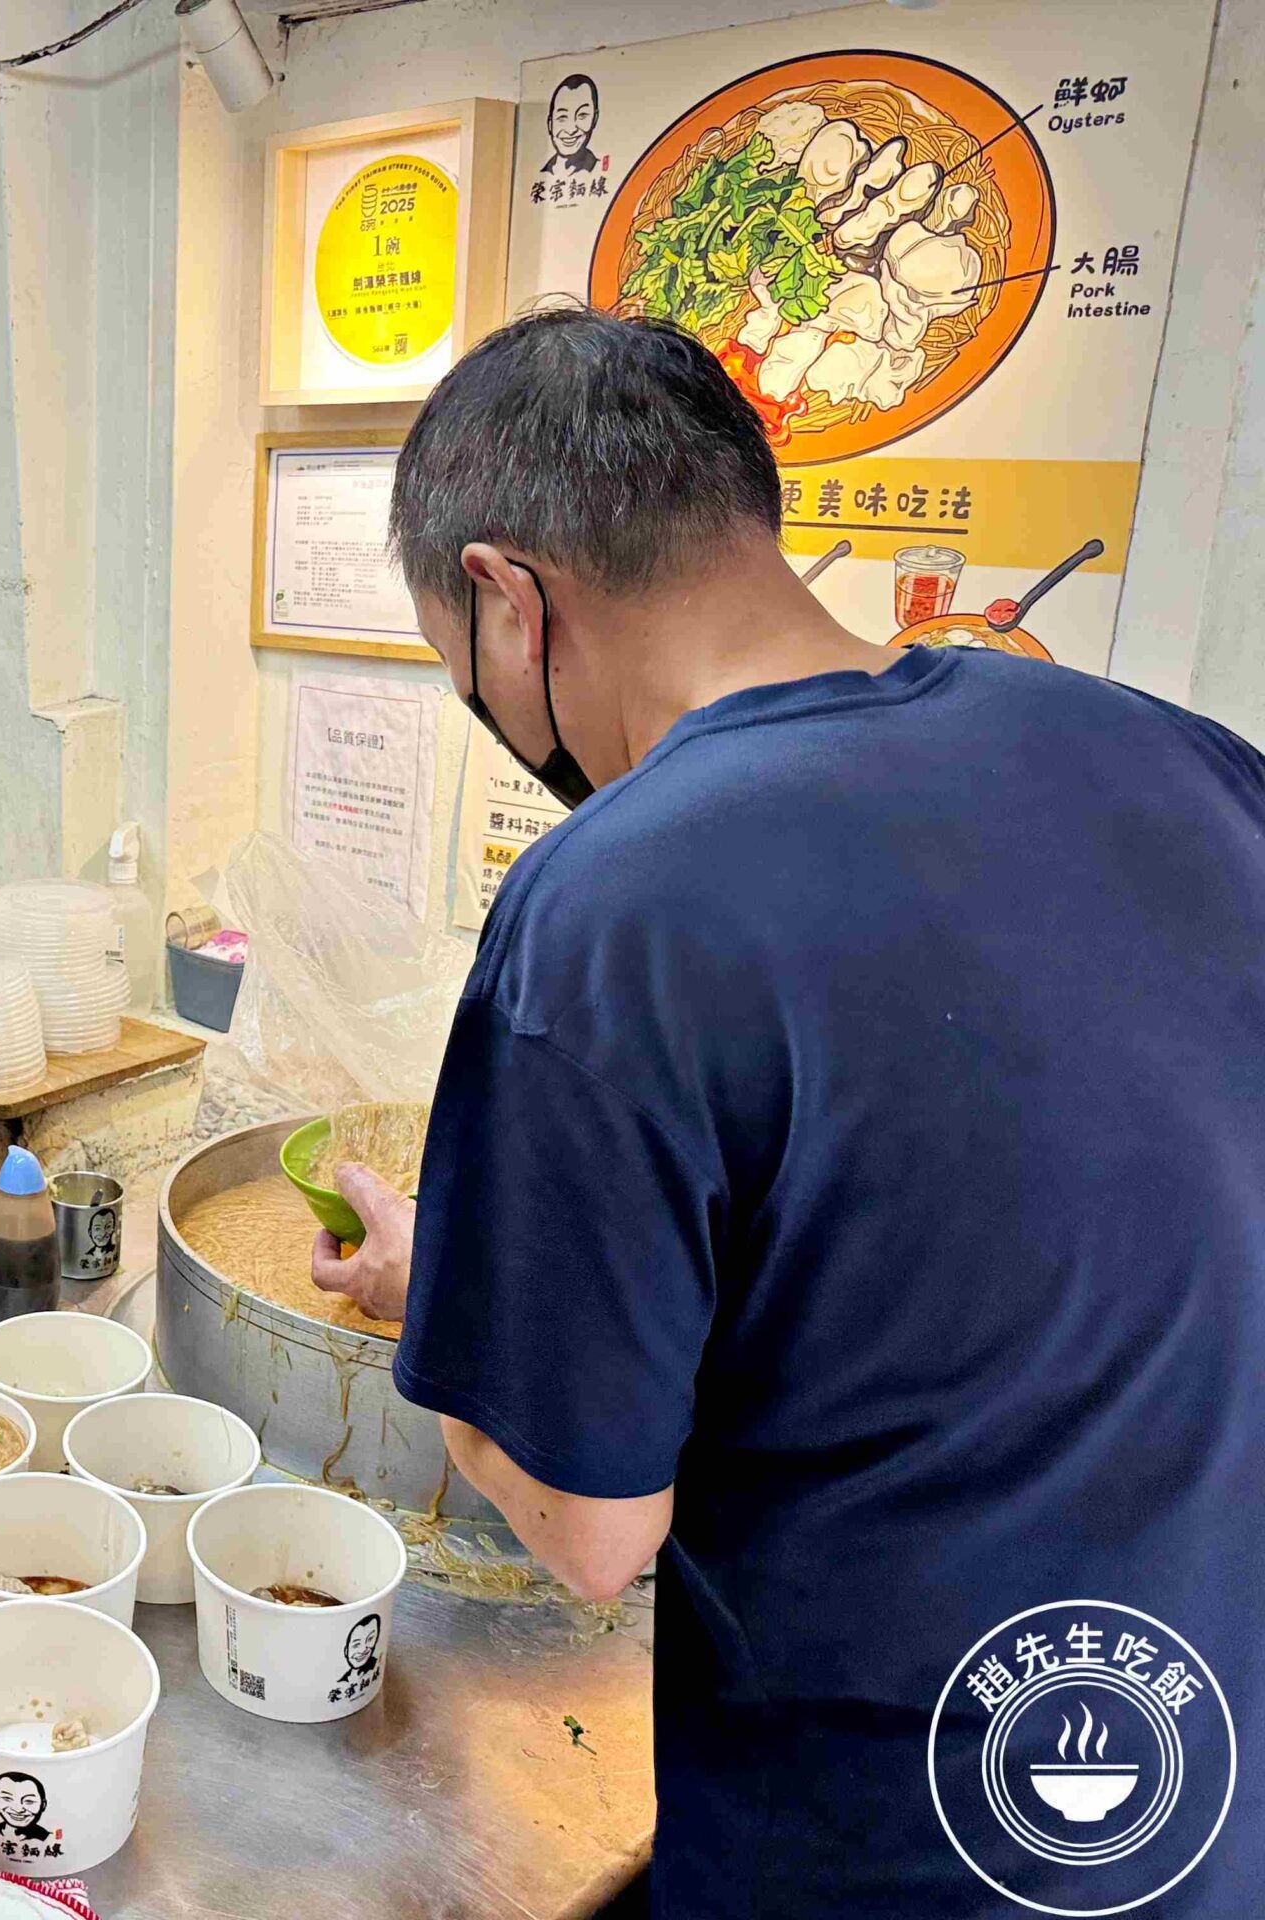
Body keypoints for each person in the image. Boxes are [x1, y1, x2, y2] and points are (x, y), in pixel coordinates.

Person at [313, 308, 1262, 1916]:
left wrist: (460, 1318)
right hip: (1201, 1784)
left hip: (895, 1836)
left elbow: (594, 1531)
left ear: (506, 599)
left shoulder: (614, 900)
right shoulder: (1191, 766)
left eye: (458, 671)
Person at [542, 72, 601, 175]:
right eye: (562, 117)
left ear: (594, 119)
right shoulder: (541, 174)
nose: (571, 130)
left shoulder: (598, 170)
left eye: (582, 115)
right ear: (550, 124)